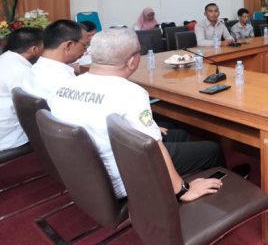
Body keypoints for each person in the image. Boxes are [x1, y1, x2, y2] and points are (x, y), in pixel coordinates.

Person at [48, 28, 225, 201]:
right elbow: (154, 148)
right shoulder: (130, 93)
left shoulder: (64, 86)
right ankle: (221, 196)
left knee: (180, 135)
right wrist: (182, 190)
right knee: (212, 149)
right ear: (133, 61)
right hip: (124, 177)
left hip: (84, 175)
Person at [0, 27, 43, 151]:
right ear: (34, 50)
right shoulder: (21, 71)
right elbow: (35, 109)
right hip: (9, 140)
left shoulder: (5, 58)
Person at [22, 20, 88, 100]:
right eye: (85, 45)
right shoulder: (64, 81)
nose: (86, 50)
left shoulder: (33, 69)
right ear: (69, 45)